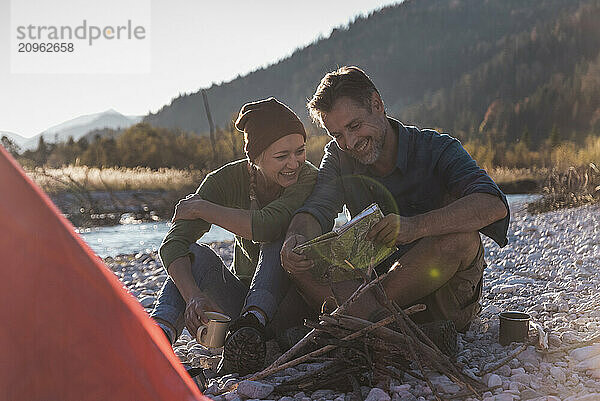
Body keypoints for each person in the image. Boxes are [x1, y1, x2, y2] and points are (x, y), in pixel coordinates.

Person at [281, 66, 510, 340]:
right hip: (370, 285)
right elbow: (317, 208)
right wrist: (295, 238)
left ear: (377, 105)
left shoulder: (436, 147)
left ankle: (356, 324)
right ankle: (382, 327)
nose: (350, 142)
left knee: (461, 239)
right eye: (338, 135)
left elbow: (492, 203)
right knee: (297, 261)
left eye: (354, 126)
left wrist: (416, 226)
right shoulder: (338, 156)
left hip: (441, 297)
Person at [151, 97, 317, 376]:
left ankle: (251, 328)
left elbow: (268, 225)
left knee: (281, 236)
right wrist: (193, 297)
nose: (294, 163)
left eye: (299, 151)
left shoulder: (308, 177)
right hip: (240, 300)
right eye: (282, 156)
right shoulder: (223, 181)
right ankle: (155, 340)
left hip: (292, 305)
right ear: (255, 157)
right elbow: (173, 245)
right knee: (196, 255)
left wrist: (202, 208)